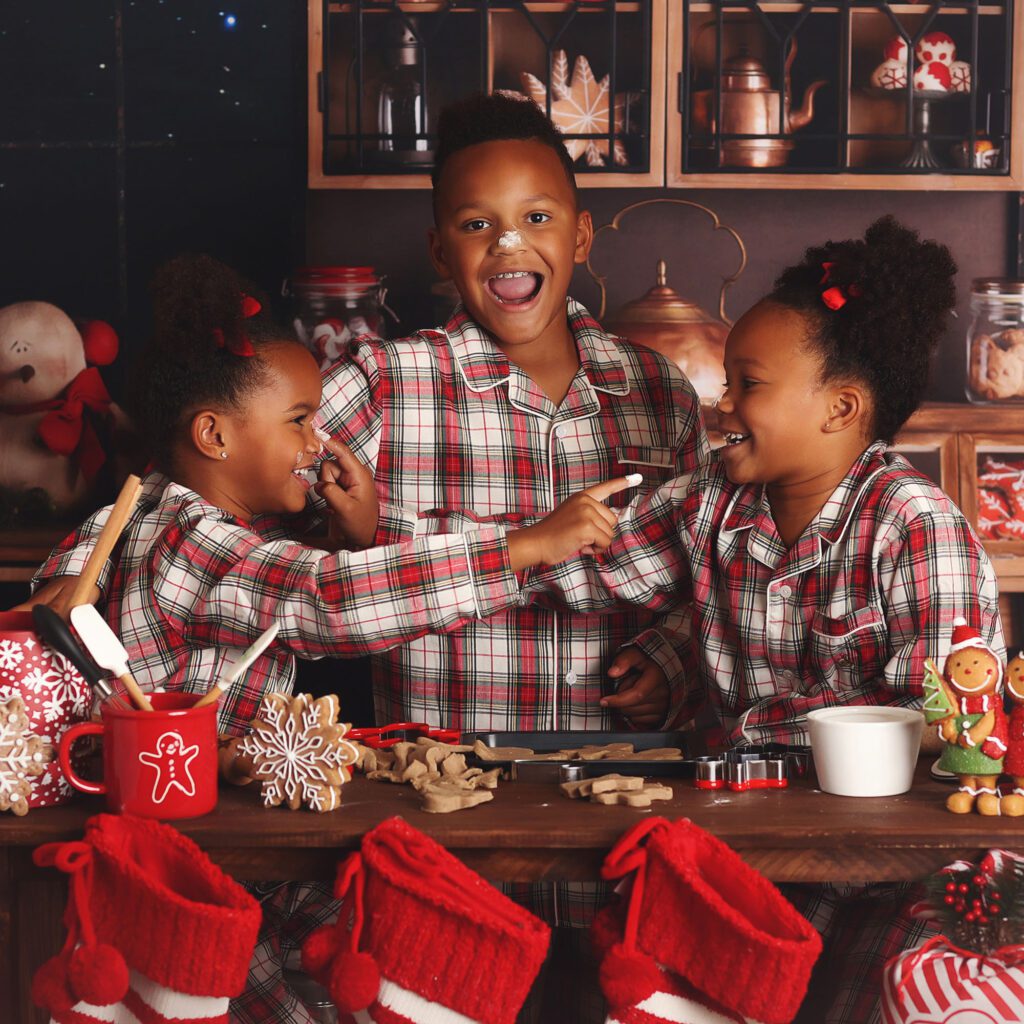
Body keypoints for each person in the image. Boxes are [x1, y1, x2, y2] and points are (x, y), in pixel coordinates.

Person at [512, 215, 1004, 1022]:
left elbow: (949, 720)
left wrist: (765, 734)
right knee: (649, 992)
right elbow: (584, 568)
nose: (721, 399)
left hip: (887, 868)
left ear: (840, 408)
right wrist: (500, 551)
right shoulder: (715, 499)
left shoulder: (914, 523)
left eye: (748, 382)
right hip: (746, 850)